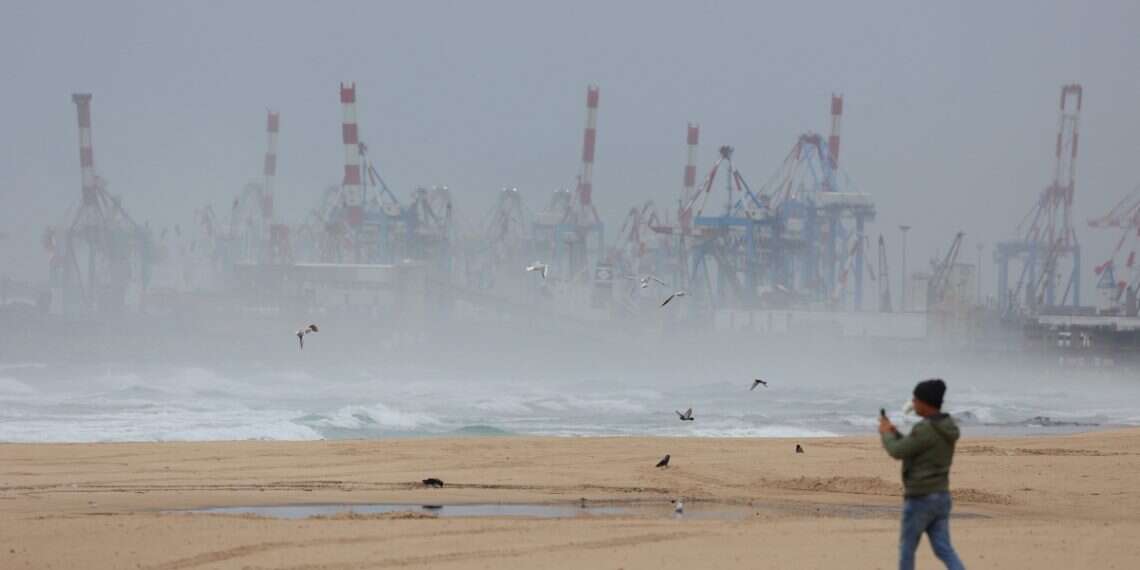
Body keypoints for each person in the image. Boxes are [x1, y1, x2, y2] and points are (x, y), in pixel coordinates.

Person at [879, 379, 965, 570]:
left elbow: (897, 451)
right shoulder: (945, 426)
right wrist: (895, 433)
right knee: (944, 549)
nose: (913, 403)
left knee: (907, 550)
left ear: (925, 403)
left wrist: (885, 434)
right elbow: (916, 447)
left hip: (921, 498)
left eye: (916, 399)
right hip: (941, 497)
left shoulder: (925, 429)